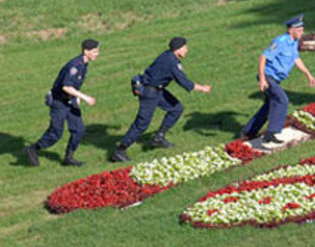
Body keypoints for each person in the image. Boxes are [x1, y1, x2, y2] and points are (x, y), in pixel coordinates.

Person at [111, 37, 211, 162]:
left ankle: (159, 137)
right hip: (149, 93)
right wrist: (203, 88)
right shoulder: (172, 63)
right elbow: (185, 83)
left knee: (176, 108)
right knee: (142, 124)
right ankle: (120, 150)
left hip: (158, 90)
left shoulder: (168, 56)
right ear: (178, 49)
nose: (187, 50)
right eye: (185, 47)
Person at [240, 15, 315, 144]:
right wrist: (262, 79)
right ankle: (272, 132)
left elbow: (296, 59)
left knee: (269, 105)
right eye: (300, 30)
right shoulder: (280, 41)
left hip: (275, 79)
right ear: (291, 29)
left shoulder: (294, 42)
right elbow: (263, 57)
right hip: (268, 77)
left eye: (302, 29)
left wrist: (308, 74)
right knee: (282, 100)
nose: (302, 32)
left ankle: (248, 132)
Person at [24, 39, 100, 167]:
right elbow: (66, 86)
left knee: (79, 129)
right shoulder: (75, 66)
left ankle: (69, 158)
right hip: (59, 102)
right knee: (56, 133)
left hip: (70, 100)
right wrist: (84, 97)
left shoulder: (84, 64)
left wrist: (76, 98)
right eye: (94, 51)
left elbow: (74, 85)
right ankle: (33, 149)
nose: (97, 54)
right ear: (86, 51)